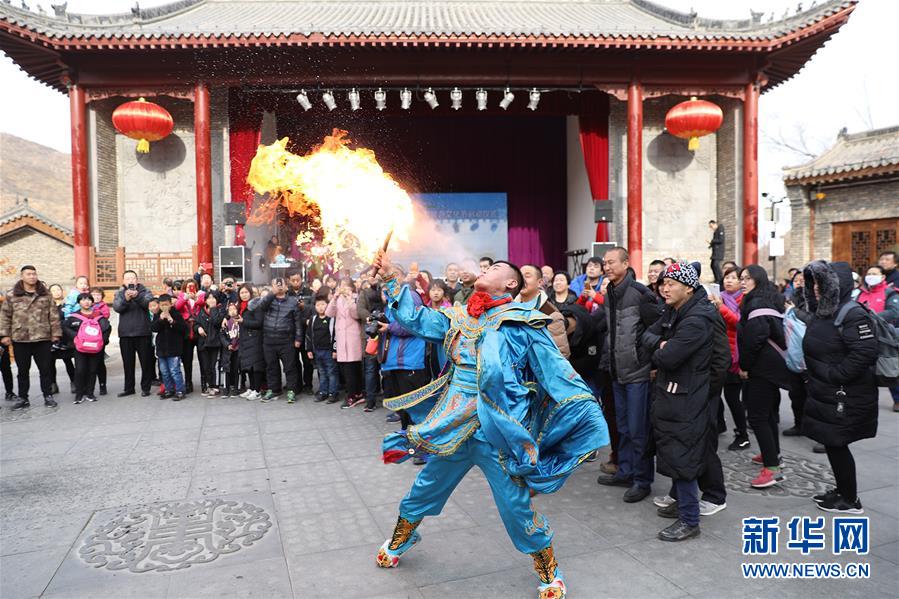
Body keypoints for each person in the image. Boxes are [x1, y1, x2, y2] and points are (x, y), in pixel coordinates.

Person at [372, 253, 607, 599]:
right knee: (425, 487)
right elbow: (415, 319)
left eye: (496, 268)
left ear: (511, 283)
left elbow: (556, 371)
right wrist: (392, 278)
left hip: (497, 433)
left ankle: (549, 570)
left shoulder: (522, 323)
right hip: (454, 427)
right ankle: (401, 539)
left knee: (515, 507)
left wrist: (585, 413)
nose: (486, 269)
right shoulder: (460, 317)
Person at [642, 262, 717, 541]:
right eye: (663, 283)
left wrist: (661, 346)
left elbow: (668, 357)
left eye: (671, 284)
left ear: (688, 288)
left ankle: (689, 519)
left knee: (683, 454)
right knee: (675, 451)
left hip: (686, 396)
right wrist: (660, 343)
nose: (665, 288)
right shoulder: (675, 311)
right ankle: (683, 506)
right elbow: (646, 335)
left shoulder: (697, 319)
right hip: (672, 393)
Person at [801, 261, 878, 514]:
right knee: (832, 442)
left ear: (835, 284)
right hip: (827, 391)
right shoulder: (825, 312)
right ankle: (843, 490)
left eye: (820, 283)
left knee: (837, 442)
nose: (815, 288)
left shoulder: (852, 313)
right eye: (813, 283)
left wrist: (835, 375)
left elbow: (865, 352)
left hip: (844, 393)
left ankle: (850, 499)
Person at [596, 247, 661, 503]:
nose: (607, 267)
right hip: (617, 370)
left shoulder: (640, 294)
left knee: (638, 429)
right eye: (605, 263)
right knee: (622, 426)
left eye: (612, 262)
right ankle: (625, 471)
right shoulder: (610, 293)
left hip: (637, 372)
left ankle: (642, 480)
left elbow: (658, 327)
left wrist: (646, 357)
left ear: (625, 264)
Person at [738, 265, 791, 489]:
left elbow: (754, 340)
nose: (742, 282)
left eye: (747, 278)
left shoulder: (757, 303)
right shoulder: (768, 300)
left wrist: (744, 366)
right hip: (772, 368)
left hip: (762, 369)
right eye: (741, 278)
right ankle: (773, 454)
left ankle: (772, 469)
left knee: (758, 416)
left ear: (758, 280)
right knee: (768, 414)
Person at [0, 265, 61, 408]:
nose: (32, 276)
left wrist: (56, 333)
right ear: (22, 276)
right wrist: (4, 334)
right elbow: (5, 316)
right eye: (28, 274)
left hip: (42, 337)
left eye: (34, 274)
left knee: (45, 369)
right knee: (22, 371)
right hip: (20, 338)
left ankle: (48, 395)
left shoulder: (45, 294)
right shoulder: (12, 295)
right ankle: (23, 398)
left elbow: (53, 315)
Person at [709, 266, 749, 450]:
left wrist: (720, 307)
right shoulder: (719, 296)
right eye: (726, 277)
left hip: (735, 356)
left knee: (732, 397)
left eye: (733, 277)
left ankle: (742, 435)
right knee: (714, 393)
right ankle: (718, 424)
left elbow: (738, 322)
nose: (729, 280)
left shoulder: (744, 299)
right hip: (718, 353)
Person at [259, 278, 304, 403]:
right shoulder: (269, 299)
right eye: (276, 285)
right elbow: (261, 306)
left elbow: (297, 322)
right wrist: (272, 293)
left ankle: (292, 390)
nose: (279, 287)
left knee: (290, 367)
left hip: (286, 340)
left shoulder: (293, 301)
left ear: (286, 286)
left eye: (281, 284)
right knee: (271, 367)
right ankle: (274, 389)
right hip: (269, 340)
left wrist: (298, 338)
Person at [62, 293, 111, 404]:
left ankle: (90, 393)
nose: (86, 302)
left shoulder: (99, 316)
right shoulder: (74, 316)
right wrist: (75, 337)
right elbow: (65, 327)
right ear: (79, 302)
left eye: (89, 300)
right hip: (80, 348)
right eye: (83, 300)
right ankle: (79, 394)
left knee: (92, 370)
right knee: (80, 370)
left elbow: (107, 328)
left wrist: (102, 341)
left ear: (92, 302)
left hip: (95, 348)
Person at [113, 270, 155, 397]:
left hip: (143, 332)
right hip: (125, 333)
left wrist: (137, 297)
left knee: (146, 362)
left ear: (137, 280)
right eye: (127, 278)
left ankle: (146, 388)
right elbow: (117, 307)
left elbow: (149, 304)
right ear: (123, 281)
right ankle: (129, 388)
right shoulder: (119, 293)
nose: (130, 280)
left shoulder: (145, 291)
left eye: (133, 278)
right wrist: (126, 299)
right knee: (128, 363)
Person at [327, 278, 364, 408]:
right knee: (345, 368)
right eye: (341, 286)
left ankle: (353, 395)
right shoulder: (337, 299)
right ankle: (355, 393)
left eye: (346, 286)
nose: (343, 288)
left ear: (352, 288)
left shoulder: (356, 298)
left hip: (353, 337)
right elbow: (329, 313)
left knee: (352, 368)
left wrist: (350, 300)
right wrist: (334, 298)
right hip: (341, 338)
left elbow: (356, 315)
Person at [151, 294, 188, 401]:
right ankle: (169, 389)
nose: (164, 307)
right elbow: (153, 328)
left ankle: (180, 390)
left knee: (175, 371)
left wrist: (172, 320)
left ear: (171, 304)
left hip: (174, 348)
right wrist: (160, 319)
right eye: (162, 305)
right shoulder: (157, 315)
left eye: (166, 305)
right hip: (161, 348)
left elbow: (183, 328)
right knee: (164, 372)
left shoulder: (176, 314)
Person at [357, 282, 385, 411]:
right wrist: (371, 318)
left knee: (387, 371)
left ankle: (388, 397)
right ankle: (370, 401)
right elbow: (360, 310)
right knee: (370, 370)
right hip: (371, 336)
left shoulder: (389, 294)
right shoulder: (365, 293)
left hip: (387, 336)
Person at [306, 295, 339, 402]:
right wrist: (309, 350)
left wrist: (335, 350)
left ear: (327, 305)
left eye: (323, 304)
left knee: (331, 372)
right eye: (318, 305)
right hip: (317, 351)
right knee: (322, 372)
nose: (320, 307)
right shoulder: (313, 319)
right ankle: (323, 392)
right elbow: (309, 335)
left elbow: (335, 335)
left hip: (328, 351)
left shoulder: (331, 319)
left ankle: (333, 393)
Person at [236, 284, 266, 401]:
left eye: (246, 292)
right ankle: (252, 388)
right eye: (241, 293)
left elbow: (259, 323)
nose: (244, 295)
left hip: (255, 339)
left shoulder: (256, 305)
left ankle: (257, 390)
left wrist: (243, 321)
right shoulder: (240, 306)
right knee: (248, 366)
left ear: (250, 293)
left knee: (256, 366)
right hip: (245, 339)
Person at [175, 281, 205, 393]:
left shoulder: (201, 294)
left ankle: (204, 382)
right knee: (187, 359)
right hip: (187, 331)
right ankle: (188, 383)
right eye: (188, 286)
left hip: (199, 329)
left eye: (192, 286)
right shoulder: (182, 296)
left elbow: (203, 304)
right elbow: (177, 307)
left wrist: (196, 298)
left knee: (203, 358)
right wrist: (185, 298)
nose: (190, 288)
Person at [195, 293, 224, 397]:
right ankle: (209, 386)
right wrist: (198, 328)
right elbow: (196, 323)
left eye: (213, 298)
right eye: (209, 298)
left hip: (214, 342)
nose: (211, 300)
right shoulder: (202, 311)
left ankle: (215, 386)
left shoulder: (220, 310)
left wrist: (213, 309)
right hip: (203, 342)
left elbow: (216, 321)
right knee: (206, 366)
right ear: (205, 300)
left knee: (213, 366)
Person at [48, 283, 76, 395]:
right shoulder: (48, 306)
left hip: (65, 337)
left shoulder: (68, 305)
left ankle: (74, 382)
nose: (56, 292)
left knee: (68, 360)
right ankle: (53, 384)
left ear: (62, 291)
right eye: (53, 290)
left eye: (58, 290)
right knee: (51, 362)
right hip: (52, 337)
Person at [89, 287, 110, 396]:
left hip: (99, 336)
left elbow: (105, 316)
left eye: (98, 295)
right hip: (88, 337)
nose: (96, 297)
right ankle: (88, 386)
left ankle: (102, 384)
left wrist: (95, 312)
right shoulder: (86, 305)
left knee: (99, 362)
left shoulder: (103, 306)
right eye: (93, 295)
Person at [220, 302, 241, 397]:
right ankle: (226, 388)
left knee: (236, 369)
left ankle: (236, 388)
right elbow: (222, 335)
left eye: (234, 309)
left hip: (238, 348)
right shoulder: (226, 322)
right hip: (228, 349)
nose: (232, 311)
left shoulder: (240, 320)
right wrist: (227, 344)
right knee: (227, 369)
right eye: (230, 310)